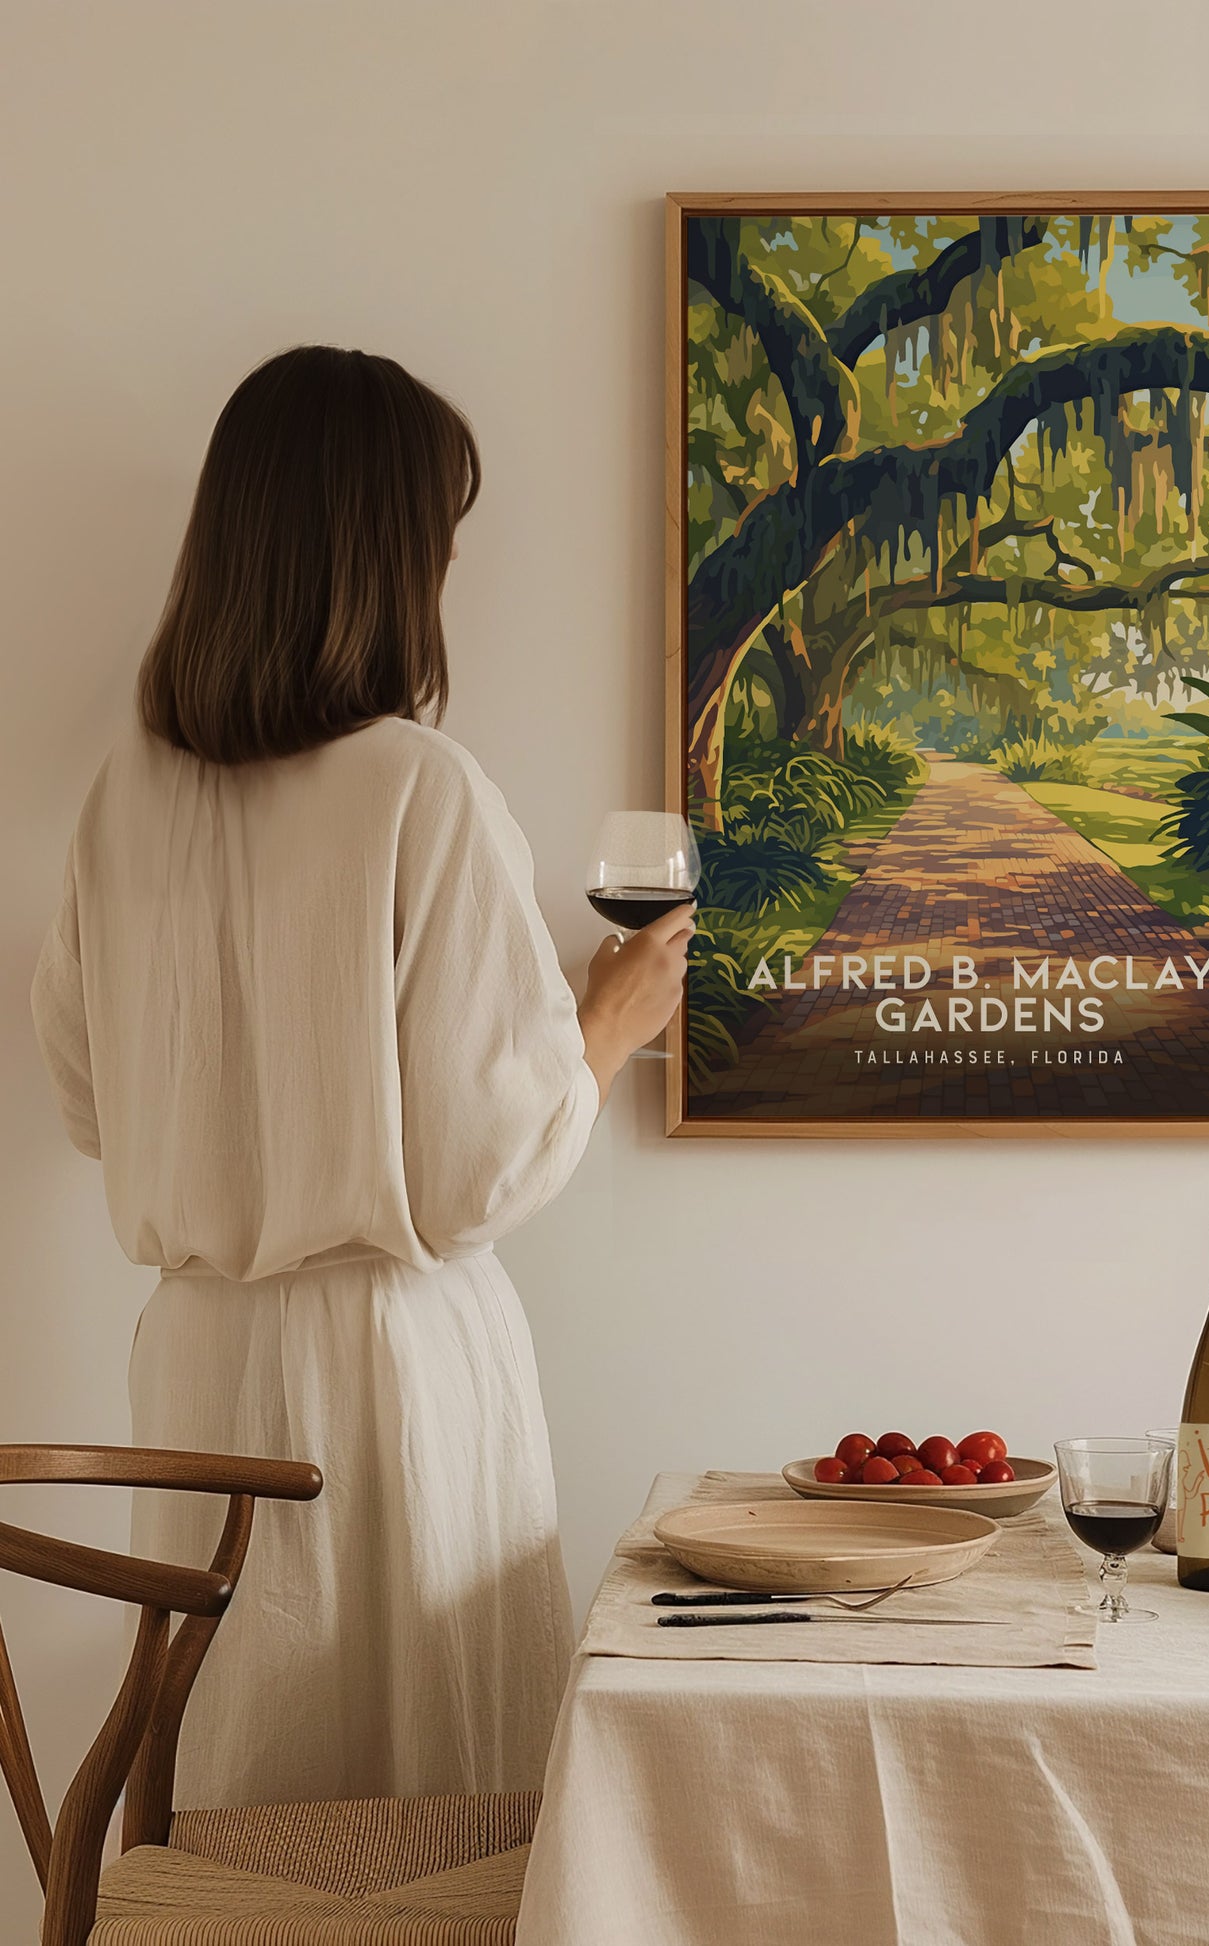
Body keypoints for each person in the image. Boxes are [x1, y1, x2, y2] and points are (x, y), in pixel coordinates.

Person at [29, 345, 691, 1806]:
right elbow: (473, 1173)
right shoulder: (418, 786)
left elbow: (87, 1100)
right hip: (391, 1374)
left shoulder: (122, 797)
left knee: (240, 1794)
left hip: (196, 1363)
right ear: (386, 556)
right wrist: (606, 1022)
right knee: (424, 1812)